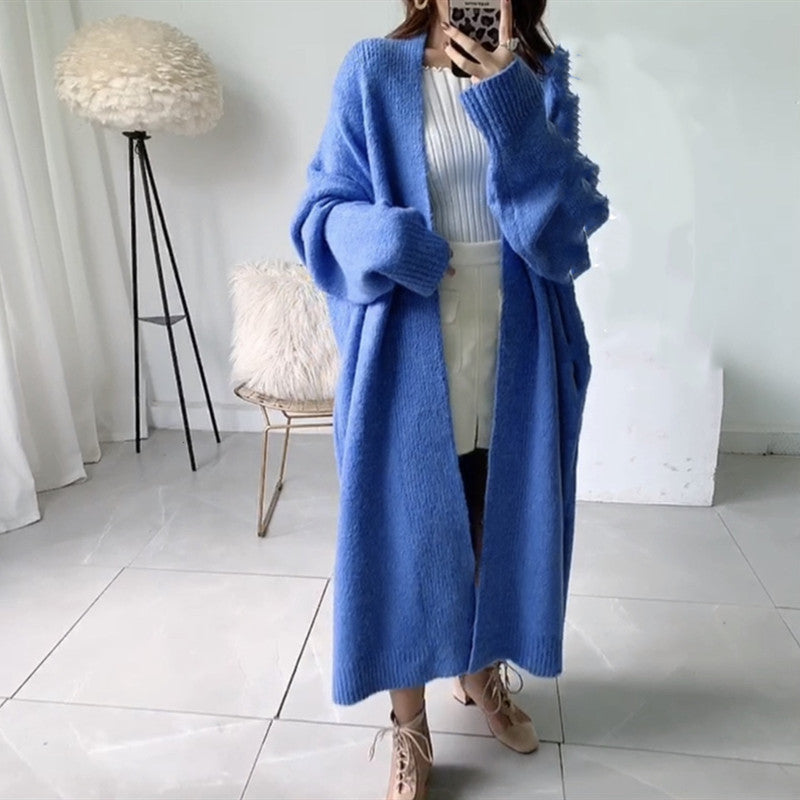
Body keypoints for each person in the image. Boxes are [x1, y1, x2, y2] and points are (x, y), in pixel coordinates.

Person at [290, 0, 610, 796]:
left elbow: (568, 230)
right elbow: (320, 214)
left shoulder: (537, 76)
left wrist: (509, 103)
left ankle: (479, 671)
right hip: (410, 333)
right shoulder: (373, 71)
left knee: (498, 516)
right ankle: (409, 726)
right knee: (406, 532)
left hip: (518, 338)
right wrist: (395, 242)